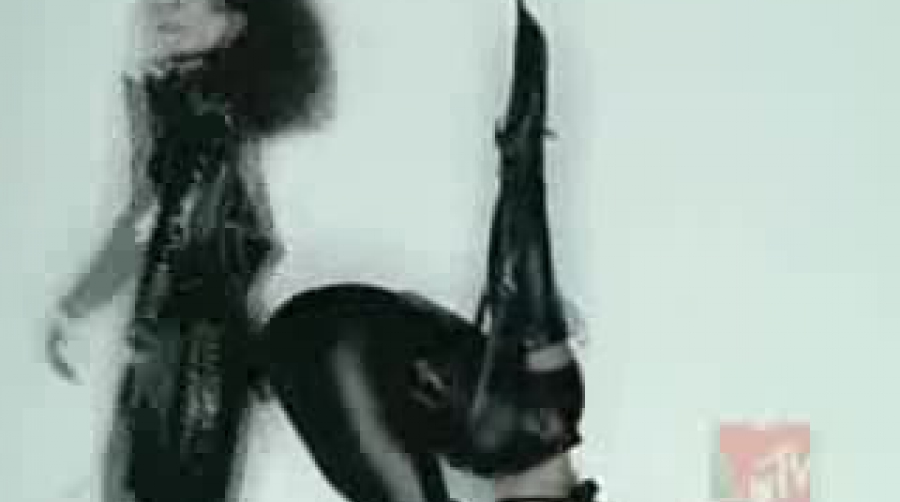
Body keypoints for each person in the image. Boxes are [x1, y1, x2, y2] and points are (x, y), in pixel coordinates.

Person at [260, 2, 601, 502]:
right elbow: (524, 266)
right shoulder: (547, 403)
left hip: (335, 329)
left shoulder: (547, 409)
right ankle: (256, 361)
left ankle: (253, 364)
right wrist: (523, 138)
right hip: (322, 340)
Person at [44, 1, 328, 501]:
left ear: (233, 23)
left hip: (182, 351)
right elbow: (244, 238)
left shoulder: (188, 107)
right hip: (207, 347)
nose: (163, 10)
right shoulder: (217, 108)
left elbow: (153, 223)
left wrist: (80, 306)